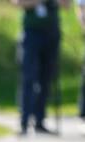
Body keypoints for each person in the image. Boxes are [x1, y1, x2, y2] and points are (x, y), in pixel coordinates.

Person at [11, 0, 61, 135]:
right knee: (28, 77)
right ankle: (24, 121)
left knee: (46, 77)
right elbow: (18, 2)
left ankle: (40, 121)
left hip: (51, 32)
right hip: (31, 33)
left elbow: (66, 4)